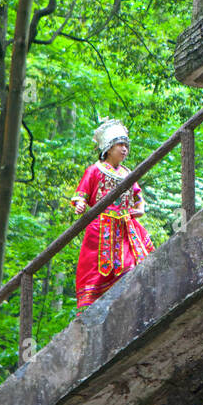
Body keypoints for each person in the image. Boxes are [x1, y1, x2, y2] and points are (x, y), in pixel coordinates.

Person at [70, 118, 155, 312]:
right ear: (108, 148)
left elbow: (138, 198)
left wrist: (140, 209)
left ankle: (130, 301)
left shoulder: (127, 173)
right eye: (120, 145)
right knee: (98, 268)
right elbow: (81, 194)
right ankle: (96, 305)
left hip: (127, 226)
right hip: (101, 228)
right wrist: (81, 204)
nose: (125, 149)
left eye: (126, 145)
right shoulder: (94, 170)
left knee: (133, 263)